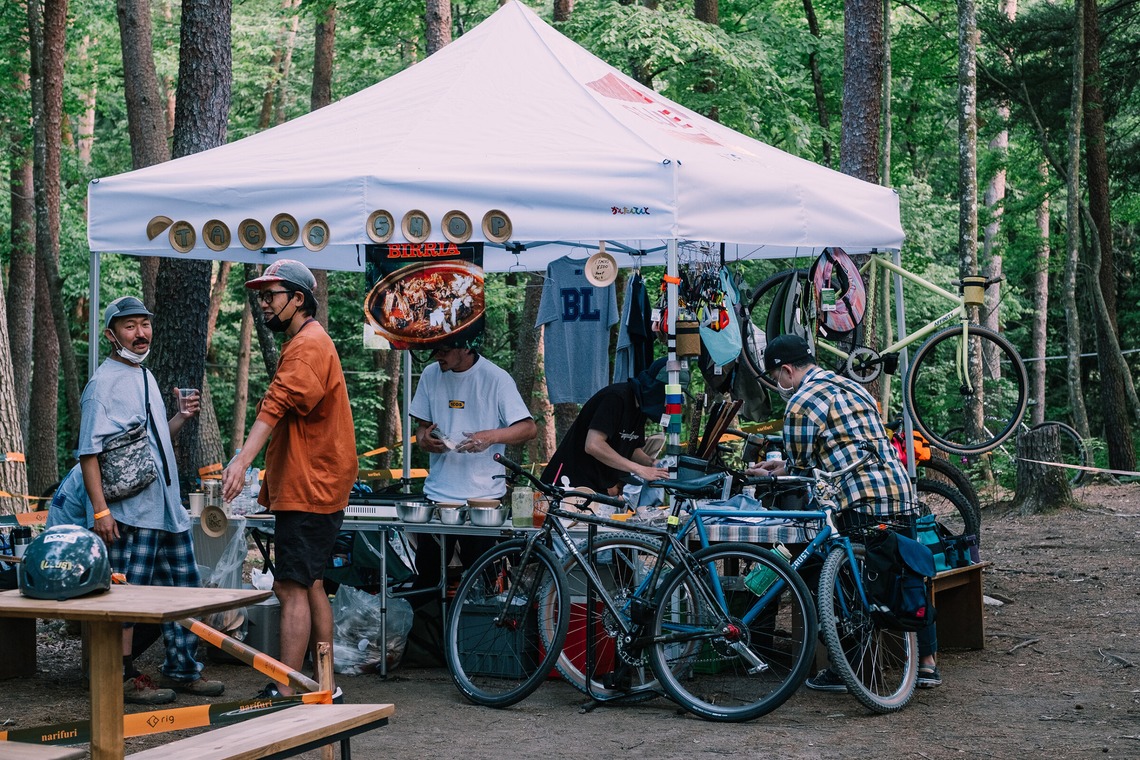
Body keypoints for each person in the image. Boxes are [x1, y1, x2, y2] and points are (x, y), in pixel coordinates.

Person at [747, 333, 941, 689]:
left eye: (776, 377)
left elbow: (803, 467)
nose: (778, 384)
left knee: (845, 583)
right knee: (909, 574)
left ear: (787, 370)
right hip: (898, 491)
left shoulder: (801, 402)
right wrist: (783, 465)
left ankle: (849, 670)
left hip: (858, 498)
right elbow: (843, 445)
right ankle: (927, 665)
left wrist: (773, 472)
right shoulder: (853, 387)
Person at [56, 295, 224, 705]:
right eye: (129, 326)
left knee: (185, 592)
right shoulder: (102, 385)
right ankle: (121, 677)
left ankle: (183, 670)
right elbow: (88, 454)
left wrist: (180, 418)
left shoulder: (144, 375)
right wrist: (101, 511)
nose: (140, 333)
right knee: (129, 599)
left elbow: (150, 445)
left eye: (144, 324)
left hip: (168, 511)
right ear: (111, 335)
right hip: (129, 513)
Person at [223, 260, 357, 697]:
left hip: (310, 486)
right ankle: (324, 684)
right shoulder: (307, 341)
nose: (263, 304)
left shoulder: (307, 346)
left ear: (298, 299)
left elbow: (275, 405)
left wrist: (242, 462)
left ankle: (287, 690)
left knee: (290, 586)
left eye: (271, 296)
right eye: (260, 296)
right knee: (311, 583)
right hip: (314, 483)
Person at [409, 339, 537, 589]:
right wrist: (425, 440)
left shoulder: (496, 378)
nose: (438, 356)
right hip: (438, 495)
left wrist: (490, 436)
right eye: (434, 350)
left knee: (483, 579)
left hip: (483, 498)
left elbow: (529, 428)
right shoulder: (430, 374)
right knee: (427, 578)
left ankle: (478, 614)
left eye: (444, 350)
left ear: (466, 347)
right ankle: (427, 615)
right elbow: (422, 429)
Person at [541, 356, 681, 494]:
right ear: (657, 389)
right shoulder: (615, 398)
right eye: (668, 397)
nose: (667, 404)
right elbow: (593, 445)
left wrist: (652, 463)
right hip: (567, 484)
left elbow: (630, 448)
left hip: (596, 488)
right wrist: (639, 469)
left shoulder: (641, 409)